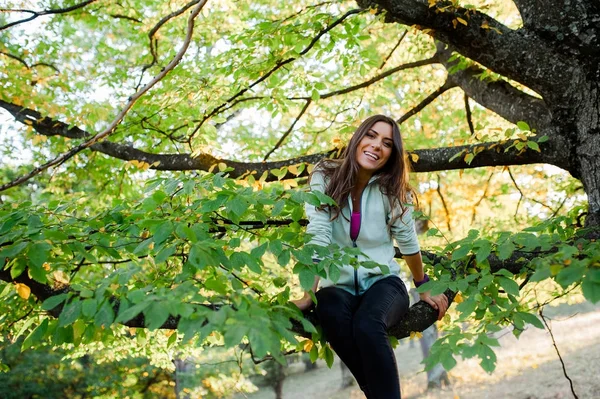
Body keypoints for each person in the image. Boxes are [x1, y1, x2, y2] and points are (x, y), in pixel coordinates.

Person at [292, 115, 448, 399]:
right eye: (371, 136)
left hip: (384, 283)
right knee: (327, 309)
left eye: (387, 143)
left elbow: (408, 241)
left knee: (367, 324)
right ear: (358, 137)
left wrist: (422, 285)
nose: (377, 146)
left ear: (392, 154)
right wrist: (307, 295)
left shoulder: (394, 190)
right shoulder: (324, 175)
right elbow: (319, 234)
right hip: (336, 287)